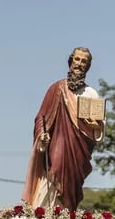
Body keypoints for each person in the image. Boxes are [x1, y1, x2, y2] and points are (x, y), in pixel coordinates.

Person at [22, 47, 104, 210]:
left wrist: (93, 124)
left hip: (78, 152)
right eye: (77, 60)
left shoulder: (91, 94)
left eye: (84, 61)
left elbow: (99, 128)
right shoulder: (56, 89)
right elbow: (41, 117)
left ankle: (66, 216)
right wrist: (42, 134)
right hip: (57, 146)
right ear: (71, 61)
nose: (79, 64)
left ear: (87, 66)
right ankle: (43, 214)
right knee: (55, 169)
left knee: (71, 186)